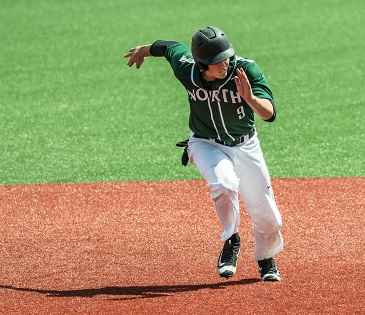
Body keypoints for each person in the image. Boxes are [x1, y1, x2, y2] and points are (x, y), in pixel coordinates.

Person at [124, 26, 283, 281]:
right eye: (217, 61)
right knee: (224, 185)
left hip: (245, 145)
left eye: (227, 56)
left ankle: (265, 258)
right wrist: (143, 50)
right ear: (202, 64)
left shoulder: (245, 70)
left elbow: (270, 114)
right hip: (205, 143)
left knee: (269, 218)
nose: (225, 63)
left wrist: (250, 98)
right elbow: (169, 47)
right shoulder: (186, 69)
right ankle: (231, 239)